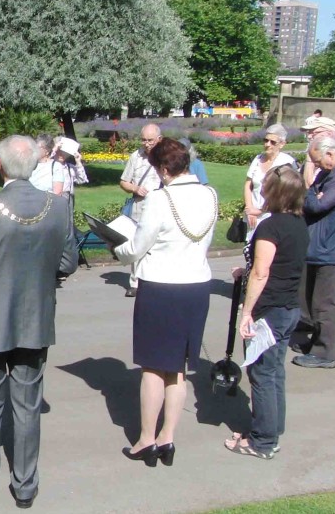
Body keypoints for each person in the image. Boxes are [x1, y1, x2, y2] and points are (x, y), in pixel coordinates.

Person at [0, 136, 77, 512]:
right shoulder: (57, 207)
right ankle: (25, 486)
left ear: (0, 166)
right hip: (35, 318)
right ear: (35, 166)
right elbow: (67, 264)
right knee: (27, 406)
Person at [114, 139, 218, 468]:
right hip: (197, 285)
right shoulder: (210, 194)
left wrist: (119, 249)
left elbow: (138, 246)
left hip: (161, 285)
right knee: (178, 369)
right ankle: (168, 436)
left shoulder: (160, 198)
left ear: (162, 169)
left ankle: (147, 438)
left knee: (153, 367)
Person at [226, 166, 308, 459]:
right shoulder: (298, 224)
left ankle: (263, 441)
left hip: (270, 310)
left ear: (276, 192)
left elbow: (262, 273)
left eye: (266, 187)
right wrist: (244, 271)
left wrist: (246, 313)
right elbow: (273, 266)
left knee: (261, 375)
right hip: (288, 308)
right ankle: (271, 428)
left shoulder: (270, 227)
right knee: (274, 373)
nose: (261, 191)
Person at [293, 135, 335, 369]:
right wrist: (313, 194)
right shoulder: (332, 172)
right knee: (309, 298)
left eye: (318, 161)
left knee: (325, 303)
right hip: (320, 245)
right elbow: (315, 200)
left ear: (331, 153)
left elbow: (319, 205)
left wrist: (309, 191)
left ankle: (324, 353)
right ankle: (315, 342)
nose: (316, 166)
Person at [118, 124, 164, 297]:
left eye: (150, 140)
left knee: (159, 243)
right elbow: (123, 181)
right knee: (138, 244)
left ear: (159, 139)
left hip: (161, 206)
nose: (146, 144)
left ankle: (156, 279)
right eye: (143, 140)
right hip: (140, 206)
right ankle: (135, 282)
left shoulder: (166, 156)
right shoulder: (136, 157)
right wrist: (135, 188)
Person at [243, 124, 296, 237]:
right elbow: (248, 185)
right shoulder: (258, 159)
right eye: (266, 140)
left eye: (273, 142)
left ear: (282, 144)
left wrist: (260, 211)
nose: (267, 144)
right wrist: (250, 209)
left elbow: (286, 195)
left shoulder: (287, 163)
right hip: (253, 216)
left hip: (273, 216)